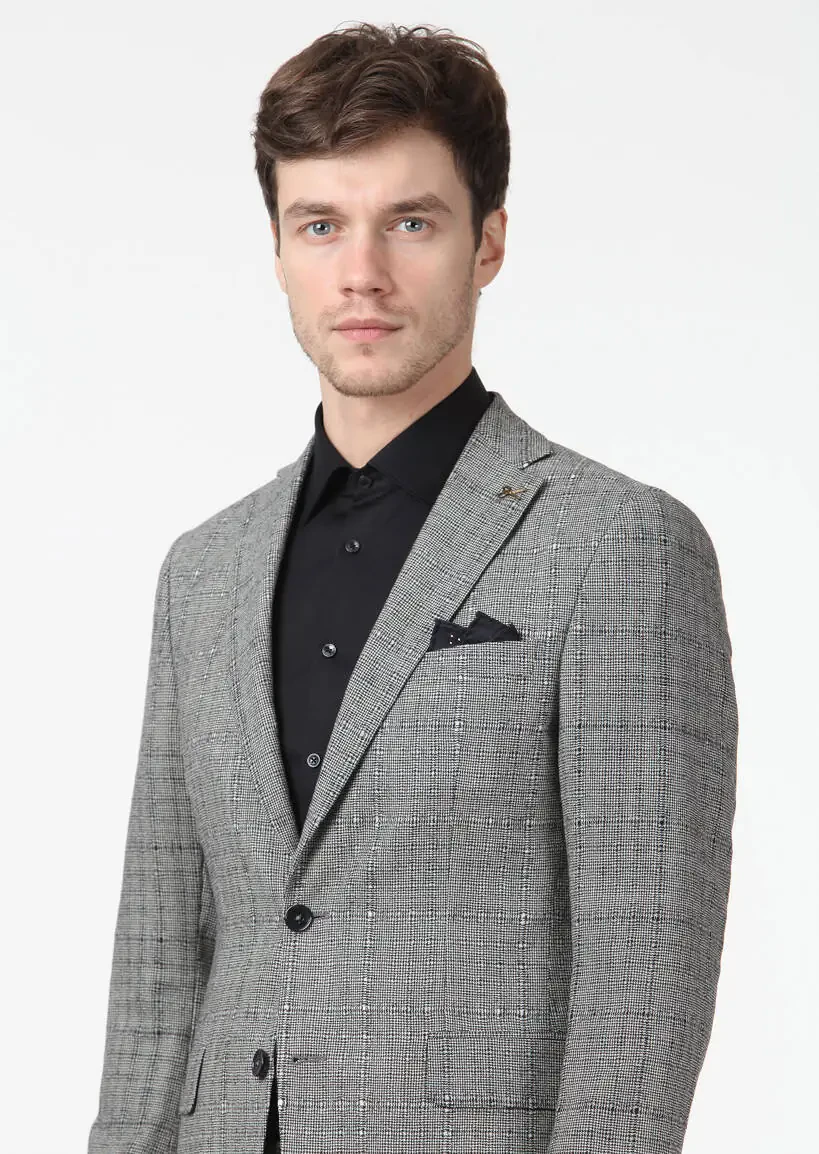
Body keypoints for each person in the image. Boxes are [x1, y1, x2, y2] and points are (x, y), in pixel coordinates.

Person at [87, 22, 738, 1154]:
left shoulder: (618, 545)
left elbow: (644, 961)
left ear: (488, 242)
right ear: (278, 248)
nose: (362, 274)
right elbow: (159, 957)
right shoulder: (204, 571)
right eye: (321, 224)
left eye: (411, 222)